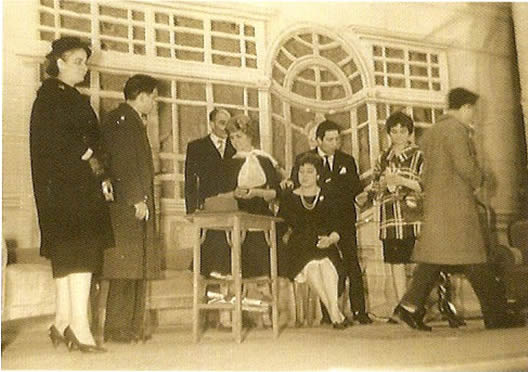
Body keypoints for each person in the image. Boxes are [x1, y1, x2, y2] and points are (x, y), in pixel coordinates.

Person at [393, 88, 511, 331]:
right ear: (465, 107)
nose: (474, 116)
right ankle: (496, 315)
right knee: (476, 261)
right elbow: (465, 166)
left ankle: (408, 308)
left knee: (434, 261)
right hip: (457, 208)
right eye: (473, 110)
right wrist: (480, 178)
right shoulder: (456, 130)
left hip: (437, 206)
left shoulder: (432, 132)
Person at [29, 36, 114, 353]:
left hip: (64, 191)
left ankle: (63, 321)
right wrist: (90, 152)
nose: (84, 67)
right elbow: (65, 143)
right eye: (78, 61)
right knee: (81, 256)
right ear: (59, 63)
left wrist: (91, 156)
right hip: (71, 191)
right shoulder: (56, 98)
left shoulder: (55, 96)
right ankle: (80, 327)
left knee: (67, 258)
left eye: (85, 61)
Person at [290, 120, 372, 324]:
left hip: (343, 219)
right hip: (318, 221)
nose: (335, 143)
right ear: (318, 140)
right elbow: (296, 186)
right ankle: (329, 313)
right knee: (322, 262)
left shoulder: (347, 161)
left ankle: (360, 311)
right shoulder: (305, 160)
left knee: (351, 262)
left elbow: (355, 189)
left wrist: (361, 197)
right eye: (330, 139)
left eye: (338, 139)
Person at [100, 74, 162, 343]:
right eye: (153, 97)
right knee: (125, 269)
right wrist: (137, 199)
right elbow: (123, 164)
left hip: (137, 203)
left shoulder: (132, 120)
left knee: (136, 268)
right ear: (142, 96)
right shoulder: (123, 120)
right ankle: (117, 328)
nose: (154, 102)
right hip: (129, 205)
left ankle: (131, 328)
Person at [357, 112, 424, 305]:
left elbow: (424, 184)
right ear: (389, 133)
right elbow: (377, 185)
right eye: (394, 131)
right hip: (389, 217)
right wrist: (368, 194)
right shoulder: (383, 158)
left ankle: (418, 305)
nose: (398, 135)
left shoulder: (418, 155)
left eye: (402, 131)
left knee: (418, 264)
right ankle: (400, 305)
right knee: (395, 262)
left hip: (412, 216)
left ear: (409, 133)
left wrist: (402, 180)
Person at [279, 152, 348, 329]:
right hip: (299, 247)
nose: (304, 176)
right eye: (301, 172)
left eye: (309, 172)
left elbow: (339, 224)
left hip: (323, 243)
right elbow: (280, 225)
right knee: (312, 266)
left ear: (318, 174)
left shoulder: (329, 194)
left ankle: (334, 313)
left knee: (325, 264)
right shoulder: (288, 197)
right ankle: (335, 314)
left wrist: (331, 239)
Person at [184, 108, 234, 277]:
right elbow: (190, 180)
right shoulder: (196, 147)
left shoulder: (235, 148)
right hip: (207, 206)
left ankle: (229, 293)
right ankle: (206, 291)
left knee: (230, 250)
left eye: (228, 123)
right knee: (207, 250)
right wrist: (191, 209)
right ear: (211, 124)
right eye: (221, 123)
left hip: (231, 206)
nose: (226, 127)